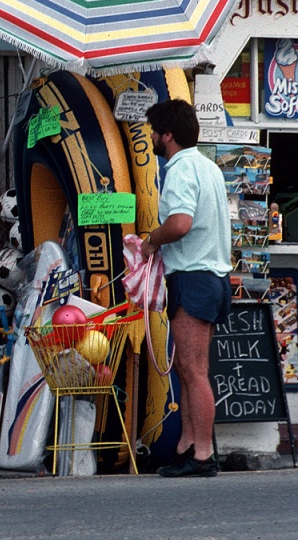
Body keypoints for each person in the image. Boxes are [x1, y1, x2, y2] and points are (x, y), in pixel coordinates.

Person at [141, 98, 231, 478]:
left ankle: (203, 454)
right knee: (186, 367)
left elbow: (180, 223)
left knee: (193, 371)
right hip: (213, 276)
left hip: (193, 275)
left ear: (167, 135)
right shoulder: (208, 167)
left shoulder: (179, 169)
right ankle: (187, 445)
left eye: (153, 131)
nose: (151, 137)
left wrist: (151, 241)